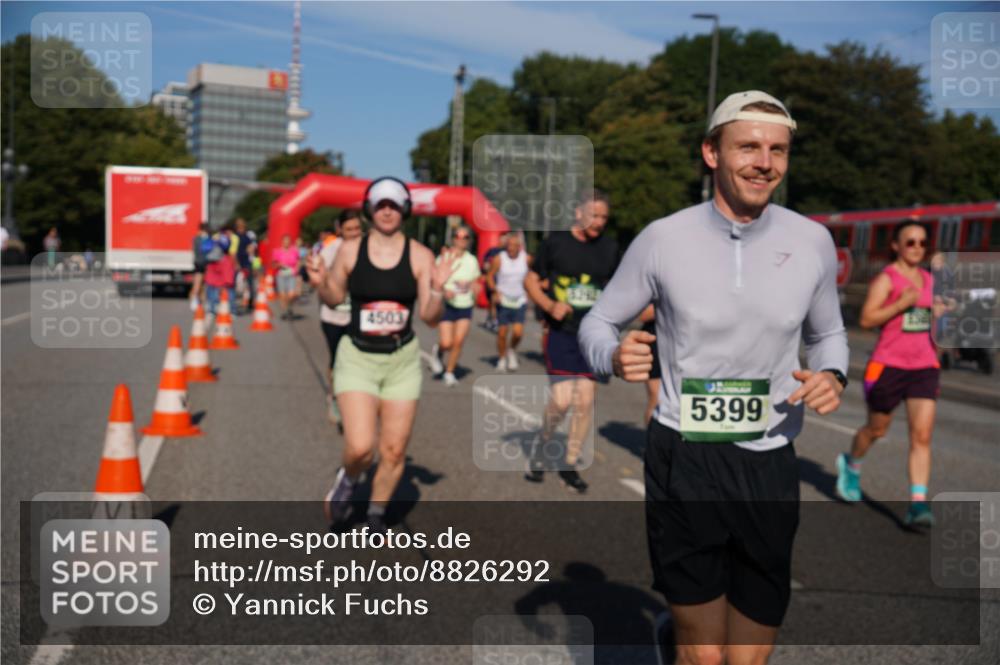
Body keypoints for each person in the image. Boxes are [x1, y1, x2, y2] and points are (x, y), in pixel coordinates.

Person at [578, 90, 848, 665]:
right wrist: (612, 354)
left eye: (778, 150)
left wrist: (834, 375)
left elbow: (828, 335)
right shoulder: (662, 238)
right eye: (748, 146)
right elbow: (599, 320)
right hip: (685, 453)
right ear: (711, 152)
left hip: (771, 459)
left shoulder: (812, 241)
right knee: (705, 657)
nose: (764, 162)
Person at [307, 177, 457, 534]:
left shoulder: (420, 255)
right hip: (357, 357)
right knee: (361, 447)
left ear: (404, 209)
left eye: (393, 204)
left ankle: (375, 514)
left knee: (392, 450)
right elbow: (333, 297)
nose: (387, 210)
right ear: (370, 209)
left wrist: (438, 288)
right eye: (380, 204)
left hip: (402, 361)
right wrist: (320, 282)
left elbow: (430, 318)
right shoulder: (350, 250)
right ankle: (348, 478)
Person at [836, 221, 944, 527]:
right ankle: (851, 464)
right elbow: (867, 319)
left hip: (924, 366)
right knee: (877, 429)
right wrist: (901, 303)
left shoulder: (929, 280)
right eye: (910, 242)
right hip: (888, 365)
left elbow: (935, 327)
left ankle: (918, 503)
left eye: (922, 243)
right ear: (896, 245)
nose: (917, 248)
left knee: (921, 436)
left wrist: (940, 315)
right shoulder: (887, 279)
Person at [524, 189, 618, 493]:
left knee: (586, 401)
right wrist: (549, 306)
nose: (599, 222)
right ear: (578, 213)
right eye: (594, 215)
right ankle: (543, 442)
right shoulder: (557, 243)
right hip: (561, 332)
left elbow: (618, 287)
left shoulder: (610, 248)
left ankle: (570, 462)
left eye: (604, 217)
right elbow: (530, 280)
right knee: (562, 401)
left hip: (593, 335)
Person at [319, 209, 364, 431]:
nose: (354, 233)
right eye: (349, 229)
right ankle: (335, 397)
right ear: (340, 230)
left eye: (357, 228)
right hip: (334, 317)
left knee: (358, 363)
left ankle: (356, 404)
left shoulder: (370, 249)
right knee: (338, 362)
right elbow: (320, 277)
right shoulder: (331, 250)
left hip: (359, 318)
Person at [427, 225, 481, 387]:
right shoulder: (444, 258)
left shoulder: (471, 260)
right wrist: (445, 291)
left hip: (465, 305)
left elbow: (475, 281)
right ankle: (439, 351)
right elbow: (434, 281)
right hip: (446, 305)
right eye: (458, 236)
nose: (462, 239)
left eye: (465, 237)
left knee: (458, 341)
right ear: (453, 239)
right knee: (447, 342)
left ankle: (449, 372)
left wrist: (474, 288)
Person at [486, 230, 532, 372]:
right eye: (509, 245)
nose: (511, 248)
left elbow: (533, 275)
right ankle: (501, 358)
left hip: (520, 299)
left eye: (514, 246)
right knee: (502, 333)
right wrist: (495, 291)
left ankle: (511, 350)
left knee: (518, 332)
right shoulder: (500, 258)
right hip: (503, 299)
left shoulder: (526, 259)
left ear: (520, 247)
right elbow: (490, 276)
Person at [203, 229, 236, 316]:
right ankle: (231, 310)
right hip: (220, 279)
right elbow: (227, 272)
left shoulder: (212, 254)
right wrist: (228, 281)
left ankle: (212, 309)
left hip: (213, 280)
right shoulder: (225, 259)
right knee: (228, 294)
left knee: (213, 294)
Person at [481, 232, 508, 331]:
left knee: (496, 301)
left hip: (503, 282)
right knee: (492, 301)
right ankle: (492, 319)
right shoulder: (493, 251)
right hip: (492, 279)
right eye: (503, 238)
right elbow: (485, 263)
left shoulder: (508, 253)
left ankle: (495, 320)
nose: (504, 241)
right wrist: (486, 268)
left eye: (506, 239)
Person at [271, 234, 301, 320]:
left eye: (288, 241)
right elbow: (273, 265)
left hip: (291, 275)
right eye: (285, 241)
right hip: (281, 275)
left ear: (290, 242)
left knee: (291, 295)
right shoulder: (276, 251)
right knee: (283, 296)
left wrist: (296, 270)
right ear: (282, 242)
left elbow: (298, 261)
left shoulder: (294, 251)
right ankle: (286, 311)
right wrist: (279, 264)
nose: (286, 243)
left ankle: (289, 307)